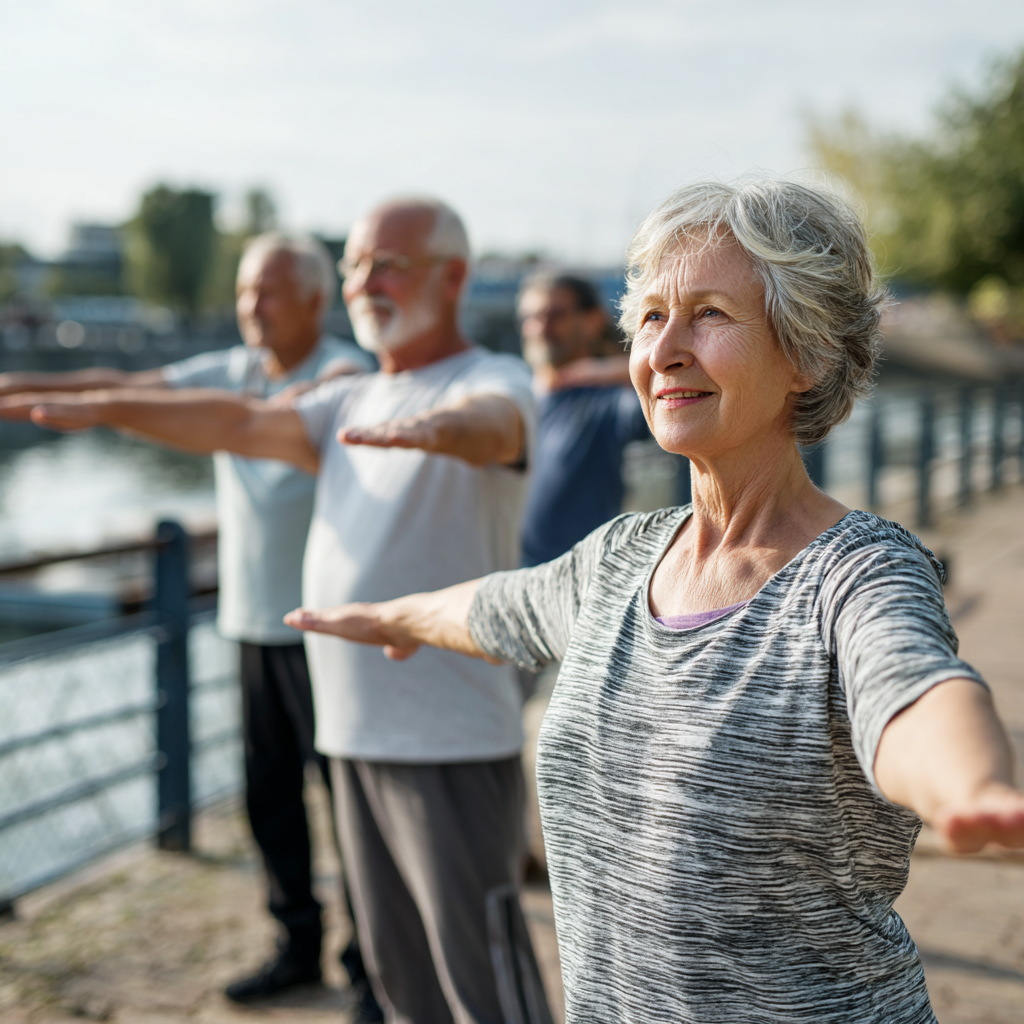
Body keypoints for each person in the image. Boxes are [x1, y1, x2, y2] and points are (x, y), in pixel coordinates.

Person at [280, 179, 1024, 1023]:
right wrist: (392, 618)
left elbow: (913, 690)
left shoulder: (858, 574)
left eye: (709, 313)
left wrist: (970, 786)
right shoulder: (621, 557)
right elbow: (502, 607)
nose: (665, 349)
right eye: (651, 317)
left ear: (806, 354)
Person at [0, 198, 552, 1024]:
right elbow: (234, 418)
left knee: (482, 976)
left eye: (389, 264)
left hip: (448, 741)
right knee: (401, 978)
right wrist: (106, 405)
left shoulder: (489, 378)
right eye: (358, 264)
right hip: (355, 729)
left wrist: (440, 427)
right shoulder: (347, 399)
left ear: (456, 277)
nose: (367, 281)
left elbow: (496, 426)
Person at [0, 234, 381, 1013]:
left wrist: (116, 408)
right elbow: (124, 379)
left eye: (270, 293)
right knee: (267, 801)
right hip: (250, 625)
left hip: (328, 633)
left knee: (353, 811)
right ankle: (296, 947)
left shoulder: (347, 372)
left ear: (315, 300)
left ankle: (373, 968)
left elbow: (254, 419)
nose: (252, 308)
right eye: (245, 292)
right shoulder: (233, 369)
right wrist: (24, 386)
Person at [516, 272, 652, 567]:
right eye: (531, 316)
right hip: (509, 582)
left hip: (576, 585)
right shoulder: (515, 401)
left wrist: (601, 371)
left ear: (593, 321)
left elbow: (661, 385)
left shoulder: (609, 403)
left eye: (555, 315)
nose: (540, 328)